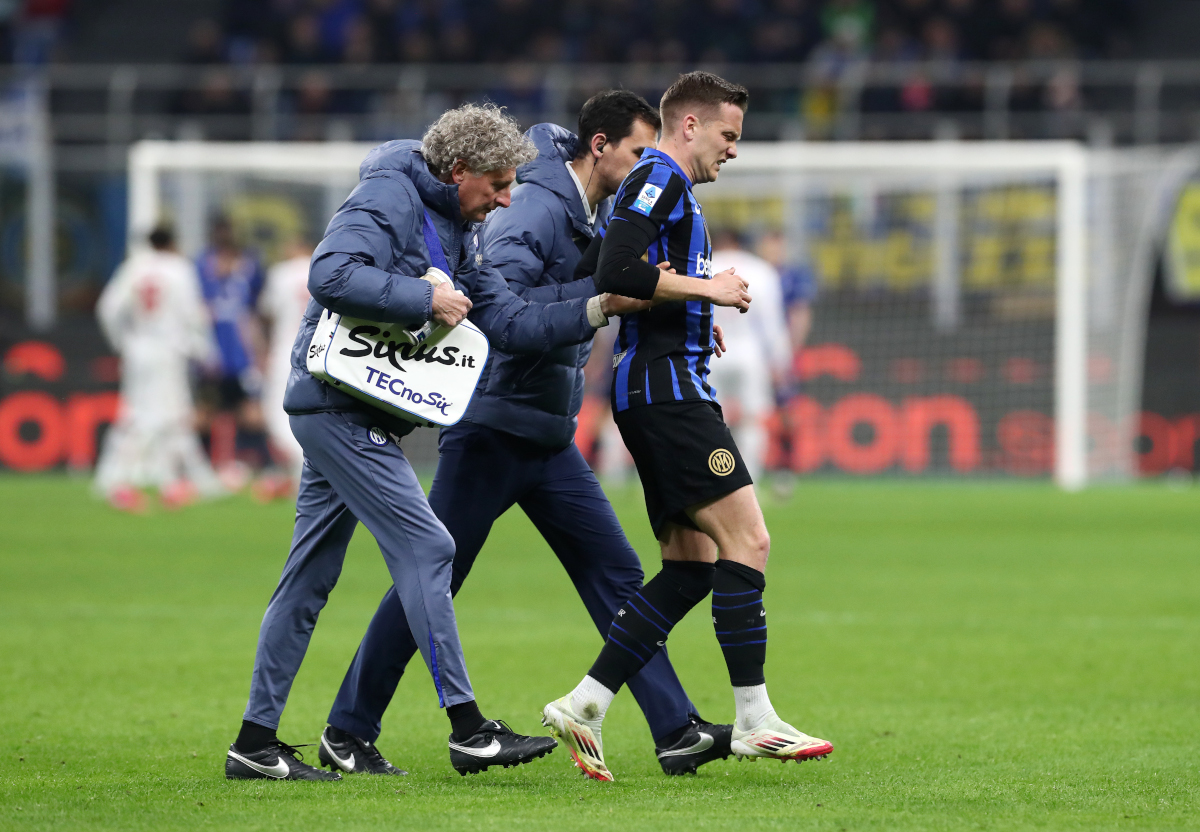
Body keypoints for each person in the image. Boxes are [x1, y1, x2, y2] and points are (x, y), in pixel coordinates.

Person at [322, 91, 734, 778]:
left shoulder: (584, 211)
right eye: (638, 152)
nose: (645, 167)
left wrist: (665, 309)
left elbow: (598, 292)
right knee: (433, 577)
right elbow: (500, 317)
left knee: (616, 574)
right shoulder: (539, 207)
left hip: (544, 432)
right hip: (494, 426)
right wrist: (601, 306)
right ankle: (348, 730)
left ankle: (675, 729)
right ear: (598, 147)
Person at [226, 103, 639, 782]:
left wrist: (599, 305)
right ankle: (468, 727)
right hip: (336, 406)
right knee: (430, 546)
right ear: (458, 171)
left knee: (309, 580)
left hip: (353, 408)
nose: (506, 199)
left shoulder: (458, 224)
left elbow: (505, 320)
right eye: (498, 184)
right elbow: (329, 274)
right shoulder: (389, 193)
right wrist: (423, 298)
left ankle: (254, 742)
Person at [541, 71, 834, 781]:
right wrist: (706, 289)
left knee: (690, 568)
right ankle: (755, 720)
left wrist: (689, 316)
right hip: (668, 397)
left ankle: (586, 702)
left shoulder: (670, 190)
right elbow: (612, 268)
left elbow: (603, 267)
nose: (734, 150)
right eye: (730, 135)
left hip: (658, 389)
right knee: (750, 539)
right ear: (692, 125)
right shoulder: (660, 175)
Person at [94, 227, 223, 511]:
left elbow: (107, 308)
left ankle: (122, 475)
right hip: (168, 349)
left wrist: (121, 341)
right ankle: (180, 478)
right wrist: (204, 350)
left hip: (138, 349)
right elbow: (193, 313)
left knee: (133, 411)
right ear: (173, 242)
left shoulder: (134, 267)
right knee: (170, 414)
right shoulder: (179, 269)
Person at [708, 229, 792, 481]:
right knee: (752, 420)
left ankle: (713, 479)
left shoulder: (704, 265)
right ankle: (748, 482)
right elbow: (771, 323)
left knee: (709, 420)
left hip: (710, 351)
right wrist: (780, 362)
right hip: (749, 353)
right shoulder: (762, 270)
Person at [195, 216, 268, 482]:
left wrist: (259, 350)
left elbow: (255, 311)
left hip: (240, 354)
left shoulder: (249, 267)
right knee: (205, 411)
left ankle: (258, 462)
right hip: (211, 354)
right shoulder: (200, 266)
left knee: (250, 410)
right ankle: (199, 464)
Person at [256, 237, 314, 490]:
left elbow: (266, 312)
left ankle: (304, 464)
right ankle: (306, 469)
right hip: (318, 352)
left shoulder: (280, 273)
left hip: (286, 351)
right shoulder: (323, 266)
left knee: (276, 415)